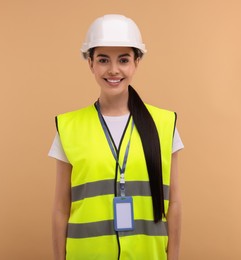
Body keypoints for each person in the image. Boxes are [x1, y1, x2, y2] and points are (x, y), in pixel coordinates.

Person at [48, 14, 184, 260]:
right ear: (90, 63)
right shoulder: (68, 127)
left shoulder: (164, 124)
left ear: (136, 62)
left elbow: (174, 204)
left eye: (123, 59)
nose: (113, 70)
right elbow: (60, 209)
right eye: (103, 60)